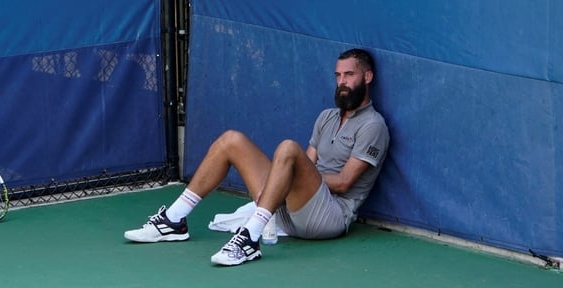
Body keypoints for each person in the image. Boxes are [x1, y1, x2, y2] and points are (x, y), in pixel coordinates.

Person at [124, 48, 390, 266]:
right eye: (338, 75)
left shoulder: (373, 125)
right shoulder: (326, 117)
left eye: (349, 75)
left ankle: (250, 239)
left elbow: (343, 182)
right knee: (231, 140)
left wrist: (286, 177)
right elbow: (308, 166)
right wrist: (284, 179)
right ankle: (174, 220)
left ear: (367, 77)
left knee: (288, 148)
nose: (342, 82)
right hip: (289, 211)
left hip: (329, 218)